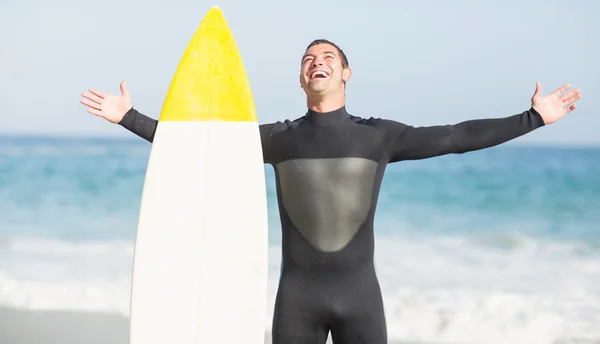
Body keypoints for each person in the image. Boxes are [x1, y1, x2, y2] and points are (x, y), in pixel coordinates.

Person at [80, 39, 581, 344]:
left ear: (345, 73)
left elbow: (456, 137)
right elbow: (201, 144)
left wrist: (534, 117)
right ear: (302, 78)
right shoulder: (279, 138)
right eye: (308, 59)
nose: (316, 62)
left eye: (327, 57)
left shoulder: (378, 136)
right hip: (297, 299)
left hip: (361, 297)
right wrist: (129, 117)